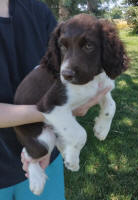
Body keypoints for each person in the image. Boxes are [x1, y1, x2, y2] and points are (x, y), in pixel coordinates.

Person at [0, 0, 110, 199]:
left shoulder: (38, 11)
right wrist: (56, 111)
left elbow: (68, 65)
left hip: (47, 158)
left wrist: (44, 150)